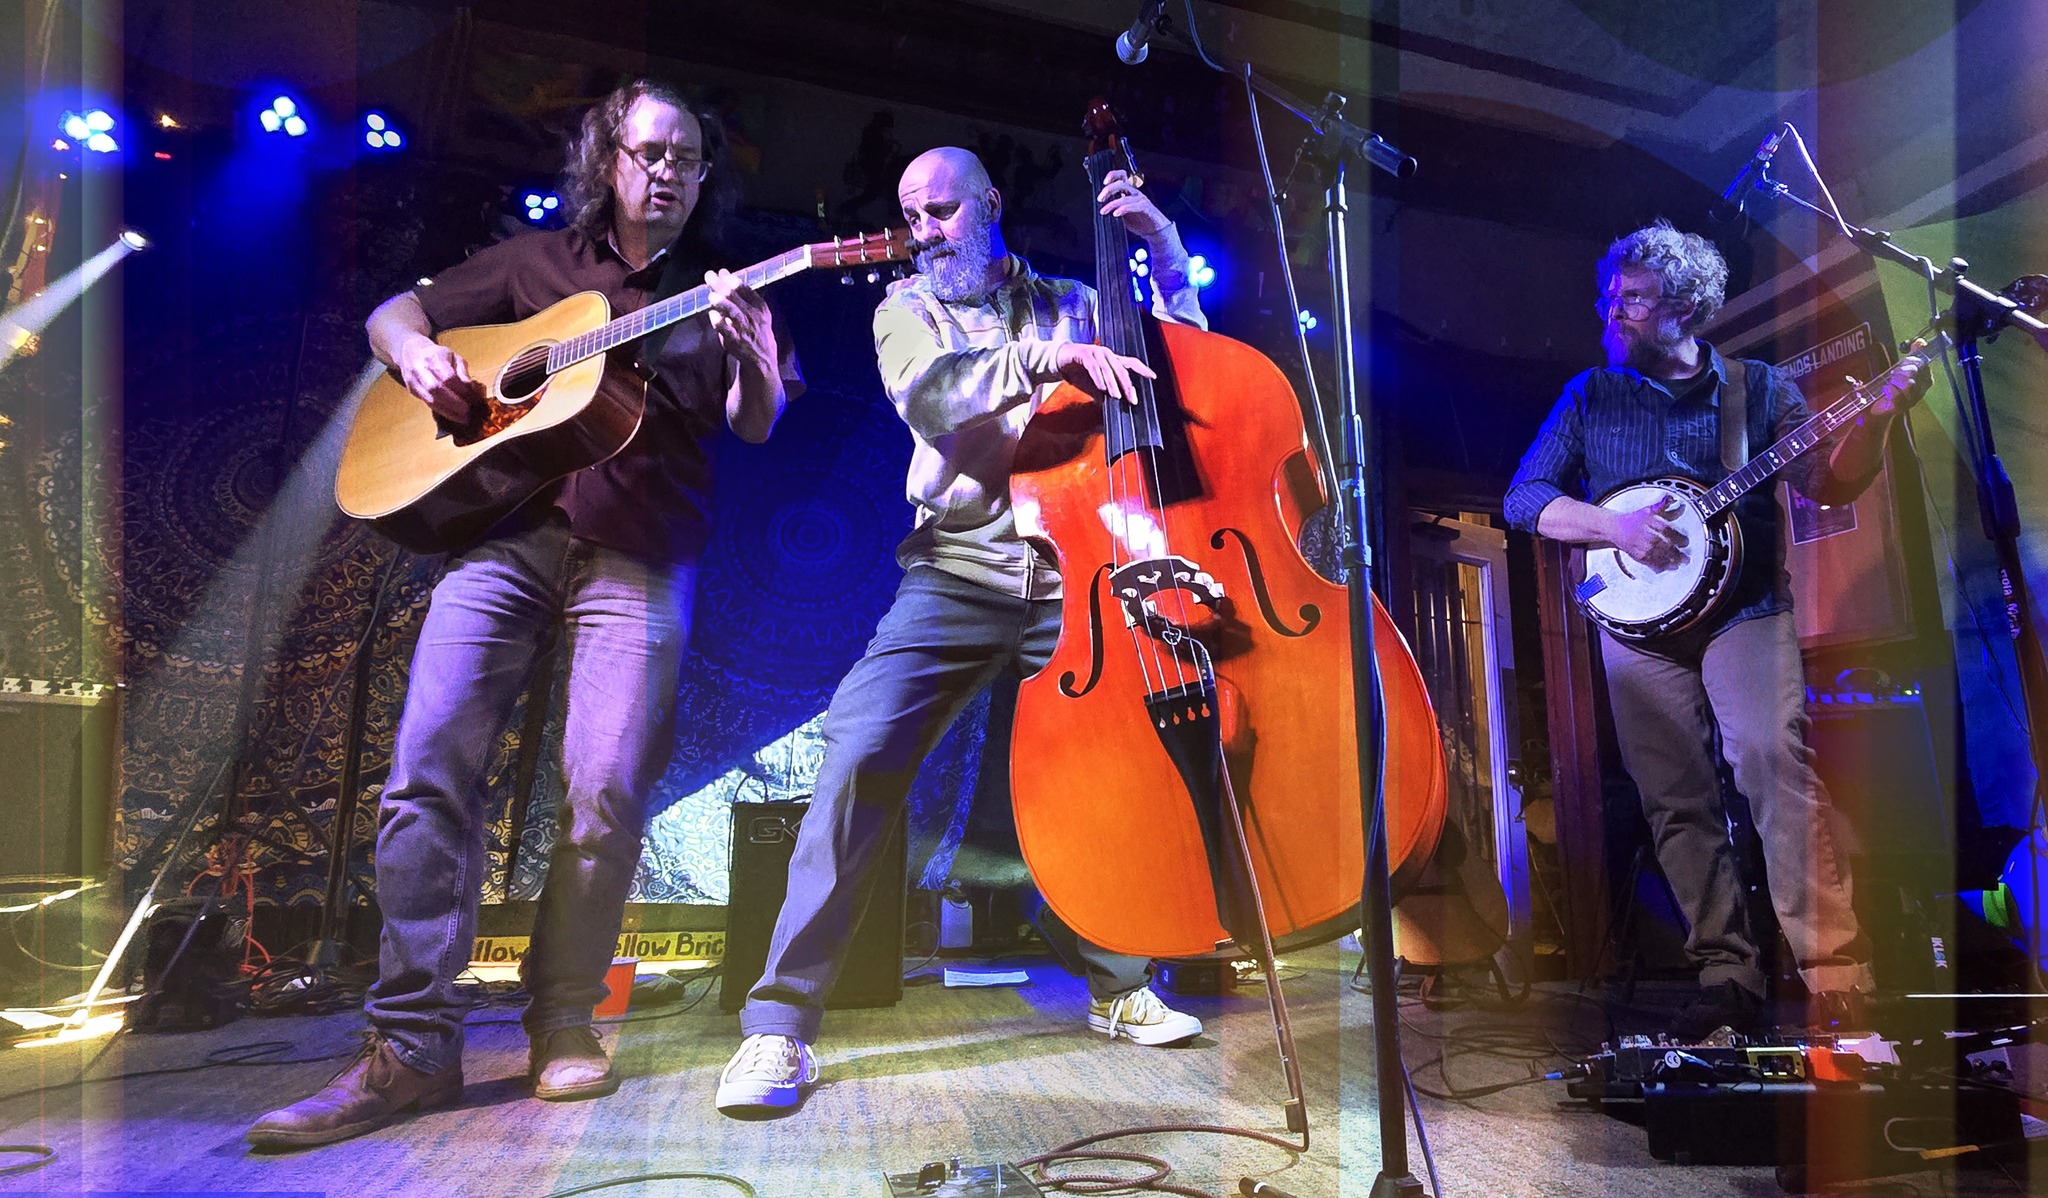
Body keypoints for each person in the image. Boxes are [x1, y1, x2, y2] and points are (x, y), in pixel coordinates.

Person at [248, 79, 802, 1149]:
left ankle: (562, 1019)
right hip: (503, 538)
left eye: (688, 158)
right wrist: (417, 355)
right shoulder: (534, 264)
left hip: (641, 552)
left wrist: (752, 356)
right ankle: (411, 1046)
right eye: (650, 152)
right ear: (608, 160)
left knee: (605, 792)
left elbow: (756, 423)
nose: (669, 172)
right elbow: (394, 312)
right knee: (425, 775)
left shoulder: (723, 288)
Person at [713, 147, 1206, 1116]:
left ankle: (1118, 985)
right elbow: (932, 397)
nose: (923, 232)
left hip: (1072, 574)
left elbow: (1181, 377)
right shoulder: (904, 308)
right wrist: (1048, 359)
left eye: (940, 210)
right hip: (956, 569)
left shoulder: (1074, 299)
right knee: (859, 749)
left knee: (1104, 768)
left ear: (989, 204)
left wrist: (1166, 252)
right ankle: (778, 1025)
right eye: (911, 215)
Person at [1504, 220, 1923, 1039]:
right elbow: (1526, 499)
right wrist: (1615, 529)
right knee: (1675, 800)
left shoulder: (1757, 390)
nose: (1613, 312)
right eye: (1611, 296)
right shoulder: (1591, 394)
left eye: (1635, 299)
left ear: (1686, 308)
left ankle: (1837, 971)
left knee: (1770, 758)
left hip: (1745, 611)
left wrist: (1873, 420)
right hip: (1638, 630)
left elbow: (1830, 485)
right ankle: (1726, 973)